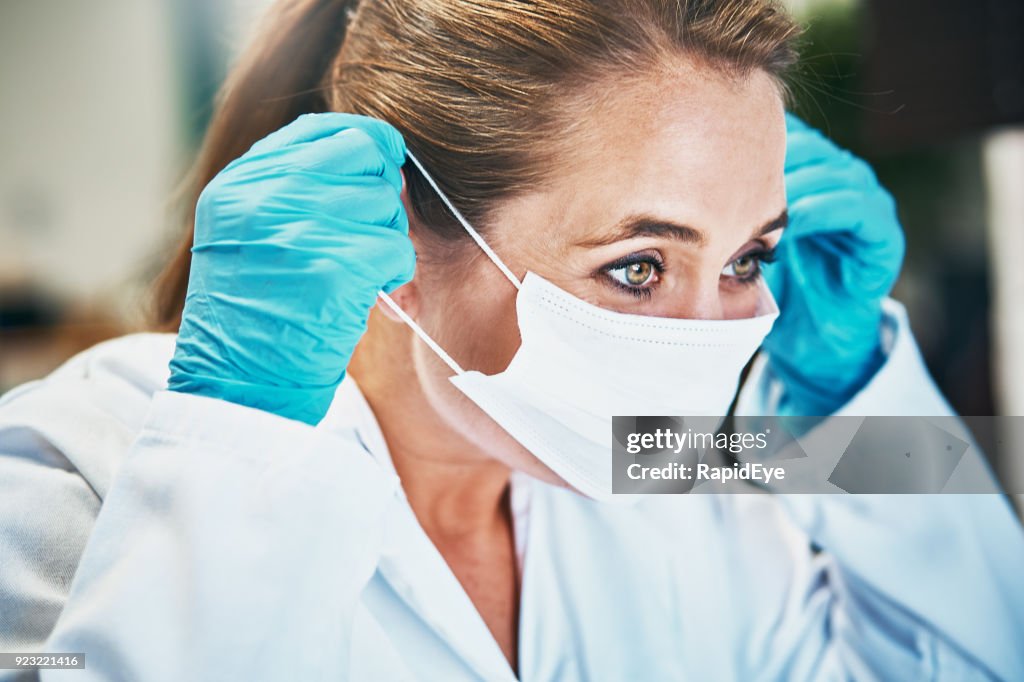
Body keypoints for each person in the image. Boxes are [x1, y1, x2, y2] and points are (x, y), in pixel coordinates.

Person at [1, 0, 1022, 679]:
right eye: (638, 266)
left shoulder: (660, 451)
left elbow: (983, 648)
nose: (717, 338)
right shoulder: (73, 471)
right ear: (398, 226)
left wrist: (852, 390)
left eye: (746, 259)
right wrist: (238, 445)